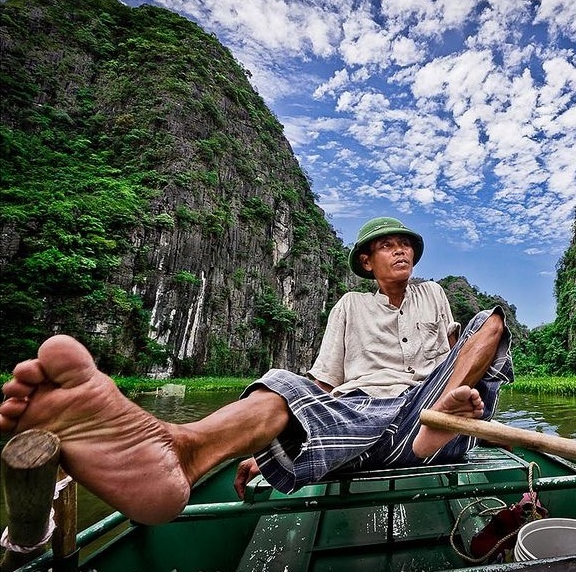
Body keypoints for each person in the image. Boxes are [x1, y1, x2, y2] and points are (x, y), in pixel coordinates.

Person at [0, 217, 513, 526]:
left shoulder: (434, 294)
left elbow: (459, 346)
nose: (401, 250)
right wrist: (263, 440)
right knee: (282, 387)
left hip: (437, 396)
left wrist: (451, 384)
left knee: (490, 321)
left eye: (406, 245)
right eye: (387, 245)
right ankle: (187, 451)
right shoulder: (348, 307)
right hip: (361, 413)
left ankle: (437, 418)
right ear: (365, 262)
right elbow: (322, 383)